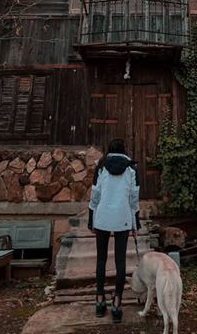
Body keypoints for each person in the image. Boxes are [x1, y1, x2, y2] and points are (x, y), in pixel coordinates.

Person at [87, 138, 141, 323]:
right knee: (120, 262)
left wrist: (91, 220)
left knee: (101, 260)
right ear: (124, 149)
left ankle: (100, 300)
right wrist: (136, 225)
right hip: (123, 219)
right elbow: (134, 199)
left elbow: (95, 195)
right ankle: (117, 303)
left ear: (108, 150)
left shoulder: (101, 166)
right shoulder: (131, 168)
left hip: (102, 218)